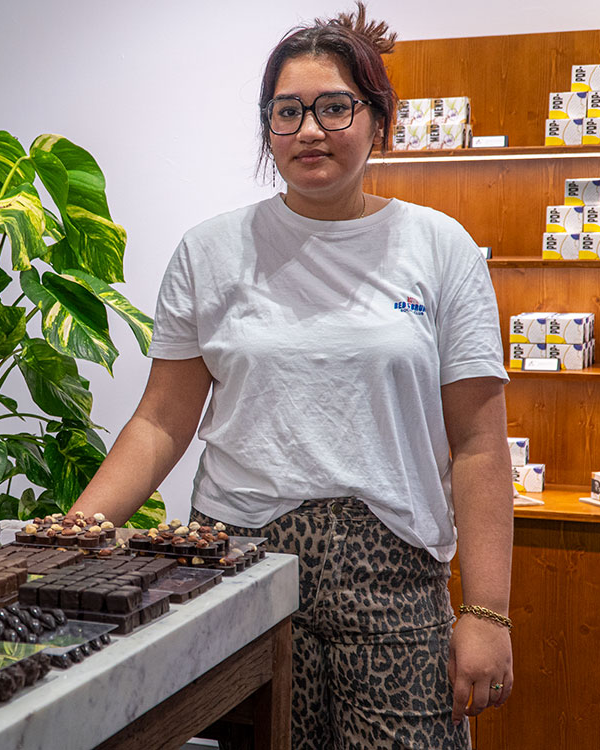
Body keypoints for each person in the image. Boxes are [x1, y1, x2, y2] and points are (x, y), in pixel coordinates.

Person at [68, 4, 514, 748]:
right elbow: (160, 421)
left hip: (395, 580)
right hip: (236, 565)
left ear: (379, 120)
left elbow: (477, 443)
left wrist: (489, 610)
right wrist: (76, 534)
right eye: (288, 111)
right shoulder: (211, 252)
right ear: (267, 128)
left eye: (335, 106)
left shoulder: (440, 248)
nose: (311, 130)